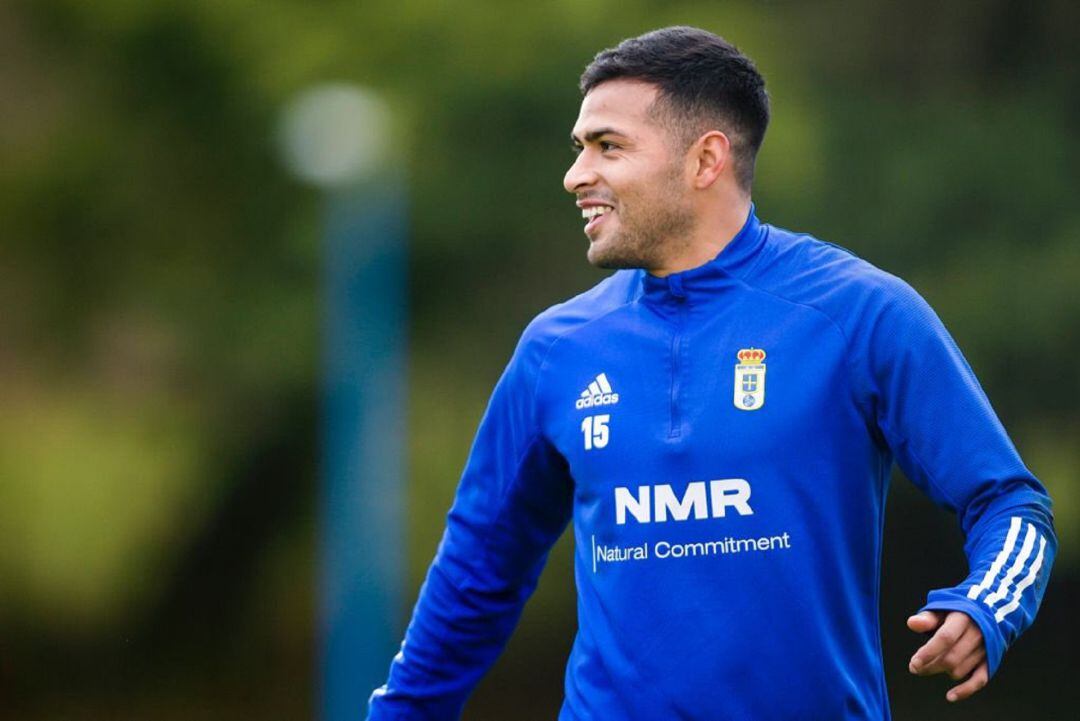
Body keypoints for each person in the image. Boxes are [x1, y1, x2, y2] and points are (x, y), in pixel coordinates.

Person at [367, 26, 1056, 720]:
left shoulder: (859, 314)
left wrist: (984, 605)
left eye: (608, 146)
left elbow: (1009, 502)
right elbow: (474, 576)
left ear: (706, 160)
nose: (577, 175)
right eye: (579, 149)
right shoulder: (557, 348)